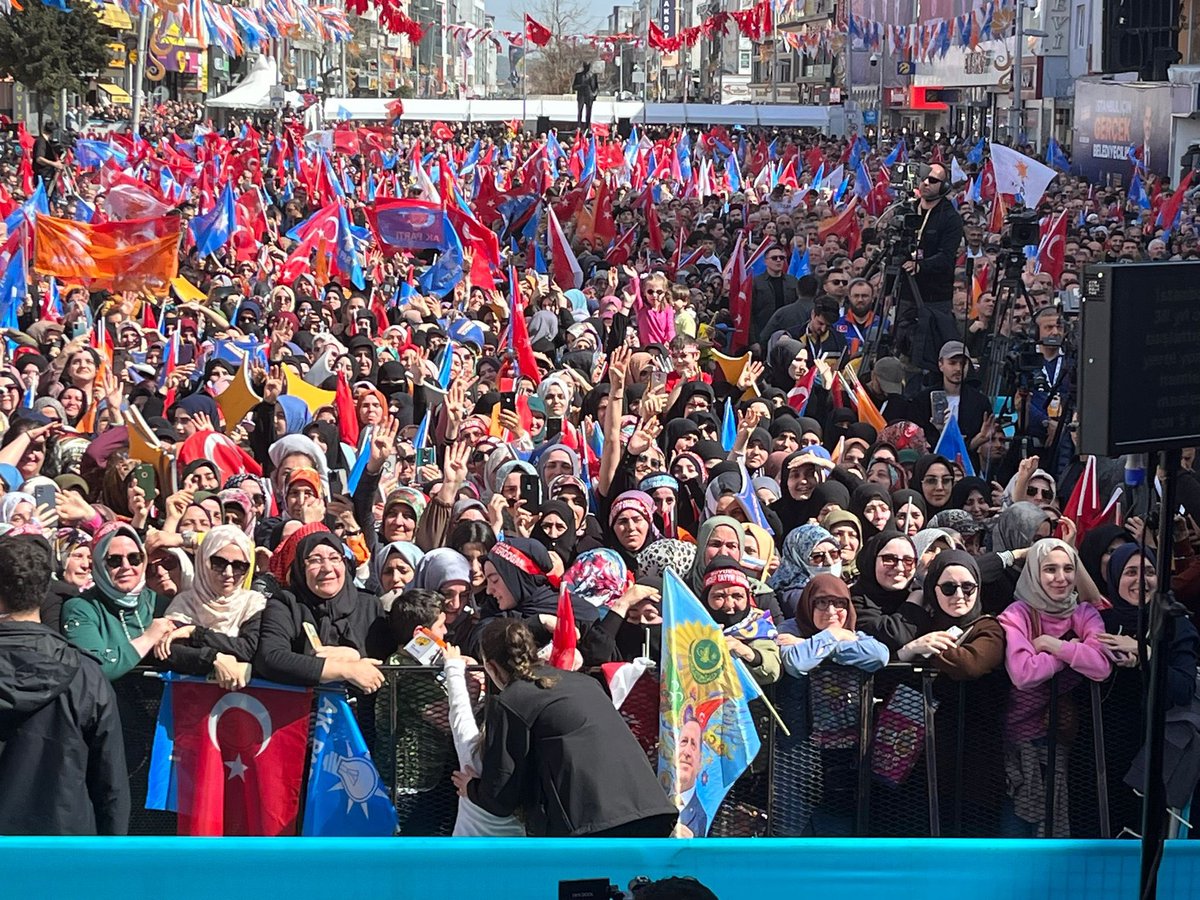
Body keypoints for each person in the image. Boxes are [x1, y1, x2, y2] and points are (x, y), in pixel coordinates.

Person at [452, 618, 678, 837]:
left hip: (592, 825)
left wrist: (472, 789)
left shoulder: (512, 700)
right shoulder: (585, 682)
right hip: (653, 812)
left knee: (584, 878)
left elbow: (500, 797)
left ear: (491, 667)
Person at [0, 536, 129, 834]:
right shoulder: (85, 673)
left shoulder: (83, 672)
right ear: (45, 590)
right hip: (65, 852)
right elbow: (111, 786)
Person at [896, 161, 965, 371]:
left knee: (930, 351)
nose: (926, 183)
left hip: (935, 297)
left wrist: (921, 266)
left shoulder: (950, 218)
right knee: (902, 344)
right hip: (907, 293)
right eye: (924, 177)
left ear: (944, 186)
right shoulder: (907, 209)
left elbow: (946, 256)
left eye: (933, 180)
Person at [572, 62, 598, 130]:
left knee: (589, 112)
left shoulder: (593, 75)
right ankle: (579, 125)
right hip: (581, 95)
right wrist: (582, 86)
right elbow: (574, 87)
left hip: (589, 96)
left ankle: (587, 126)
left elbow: (596, 87)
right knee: (580, 111)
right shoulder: (578, 75)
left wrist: (594, 95)